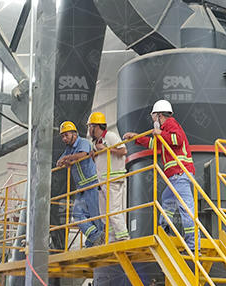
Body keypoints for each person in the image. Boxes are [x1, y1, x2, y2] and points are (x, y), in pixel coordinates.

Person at [123, 99, 197, 250]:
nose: (153, 121)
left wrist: (161, 133)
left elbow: (178, 139)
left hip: (180, 173)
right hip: (175, 177)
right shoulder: (165, 130)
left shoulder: (170, 123)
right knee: (167, 198)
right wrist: (136, 138)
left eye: (153, 117)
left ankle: (193, 246)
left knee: (186, 210)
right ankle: (165, 229)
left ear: (159, 115)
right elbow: (154, 144)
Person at [56, 120, 105, 247]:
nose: (64, 138)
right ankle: (95, 236)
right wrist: (63, 161)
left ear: (74, 134)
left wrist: (67, 158)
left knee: (96, 215)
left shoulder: (83, 142)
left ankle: (100, 239)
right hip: (81, 188)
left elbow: (83, 154)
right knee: (77, 214)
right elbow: (59, 162)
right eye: (62, 136)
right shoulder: (68, 150)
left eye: (66, 135)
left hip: (92, 184)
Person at [88, 111, 129, 242]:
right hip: (103, 181)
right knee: (105, 214)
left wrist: (106, 149)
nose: (89, 130)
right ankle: (112, 239)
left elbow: (123, 151)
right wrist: (95, 154)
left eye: (90, 126)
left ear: (96, 126)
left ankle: (123, 237)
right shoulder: (96, 142)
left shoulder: (110, 136)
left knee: (113, 210)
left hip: (113, 179)